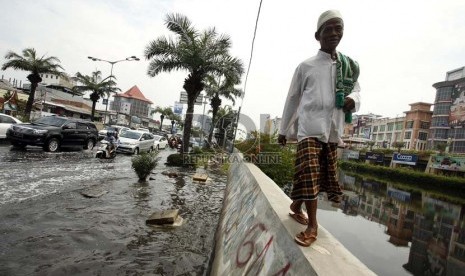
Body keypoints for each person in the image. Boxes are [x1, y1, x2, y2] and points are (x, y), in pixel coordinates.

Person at [278, 10, 361, 247]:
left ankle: (295, 206)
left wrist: (353, 99)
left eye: (339, 29)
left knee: (319, 176)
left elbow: (357, 89)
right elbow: (292, 99)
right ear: (318, 35)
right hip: (309, 129)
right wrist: (283, 130)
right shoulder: (306, 66)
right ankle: (312, 225)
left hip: (333, 130)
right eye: (329, 29)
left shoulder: (348, 66)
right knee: (311, 173)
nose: (335, 33)